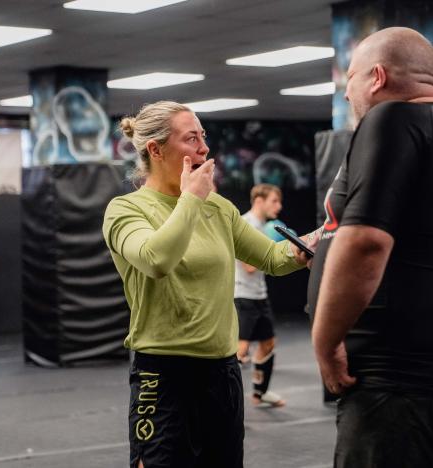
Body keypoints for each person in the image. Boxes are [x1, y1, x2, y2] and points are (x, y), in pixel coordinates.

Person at [307, 27, 433, 468]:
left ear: (375, 77)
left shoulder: (391, 119)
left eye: (348, 79)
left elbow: (367, 243)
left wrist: (325, 342)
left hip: (399, 390)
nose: (347, 94)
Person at [102, 101, 312, 468]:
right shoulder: (126, 210)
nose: (204, 148)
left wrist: (304, 248)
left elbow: (271, 258)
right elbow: (156, 260)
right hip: (164, 374)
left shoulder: (219, 208)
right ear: (156, 149)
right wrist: (191, 199)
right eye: (191, 138)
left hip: (222, 372)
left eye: (204, 137)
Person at [234, 183, 286, 407]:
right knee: (239, 350)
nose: (279, 206)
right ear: (259, 201)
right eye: (274, 201)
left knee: (268, 343)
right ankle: (226, 403)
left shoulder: (264, 226)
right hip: (242, 295)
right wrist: (273, 246)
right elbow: (248, 266)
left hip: (259, 294)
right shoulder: (245, 224)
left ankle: (259, 393)